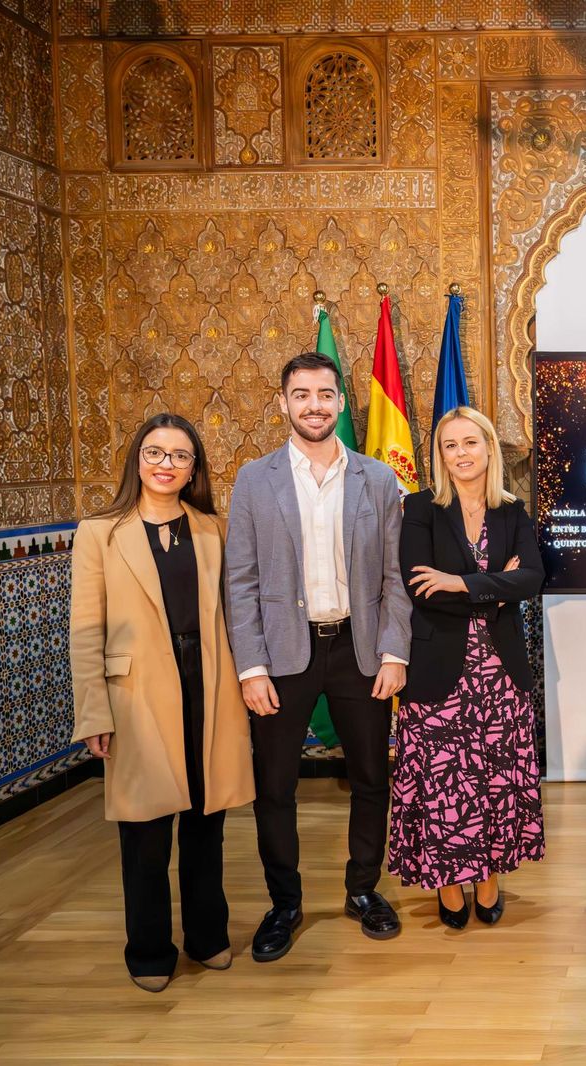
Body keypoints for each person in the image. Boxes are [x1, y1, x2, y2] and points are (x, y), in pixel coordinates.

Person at [225, 352, 413, 962]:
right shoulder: (255, 479)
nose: (314, 405)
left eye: (325, 394)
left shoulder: (378, 479)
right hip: (283, 655)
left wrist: (394, 651)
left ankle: (363, 889)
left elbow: (395, 576)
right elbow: (241, 581)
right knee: (275, 786)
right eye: (301, 394)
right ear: (283, 402)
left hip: (360, 650)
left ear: (340, 403)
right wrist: (251, 667)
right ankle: (284, 903)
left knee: (371, 777)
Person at [69, 414, 255, 993]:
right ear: (137, 459)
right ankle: (149, 949)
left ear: (194, 469)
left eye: (179, 455)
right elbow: (86, 630)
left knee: (206, 821)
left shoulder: (213, 528)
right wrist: (93, 712)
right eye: (155, 452)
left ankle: (207, 935)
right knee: (145, 832)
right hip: (137, 696)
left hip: (209, 685)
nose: (166, 464)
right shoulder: (100, 533)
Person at [394, 406, 545, 929]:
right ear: (440, 456)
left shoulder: (512, 512)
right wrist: (495, 590)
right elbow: (421, 589)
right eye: (450, 445)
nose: (461, 453)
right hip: (438, 672)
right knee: (444, 785)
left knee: (495, 780)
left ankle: (487, 878)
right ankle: (448, 883)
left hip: (501, 675)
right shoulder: (420, 509)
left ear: (488, 448)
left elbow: (532, 579)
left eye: (470, 442)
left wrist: (460, 582)